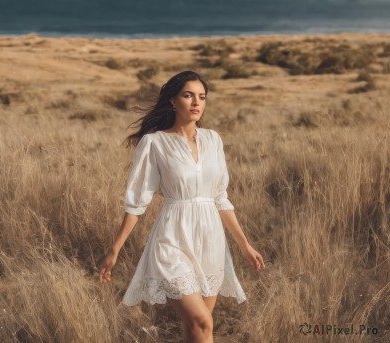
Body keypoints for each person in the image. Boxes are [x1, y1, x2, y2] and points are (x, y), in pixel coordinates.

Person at [97, 70, 265, 343]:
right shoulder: (155, 143)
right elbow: (138, 201)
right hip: (172, 239)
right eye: (188, 95)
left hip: (210, 240)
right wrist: (114, 250)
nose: (196, 102)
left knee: (197, 328)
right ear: (173, 101)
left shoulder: (213, 140)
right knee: (201, 321)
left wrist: (244, 244)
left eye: (202, 97)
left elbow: (220, 197)